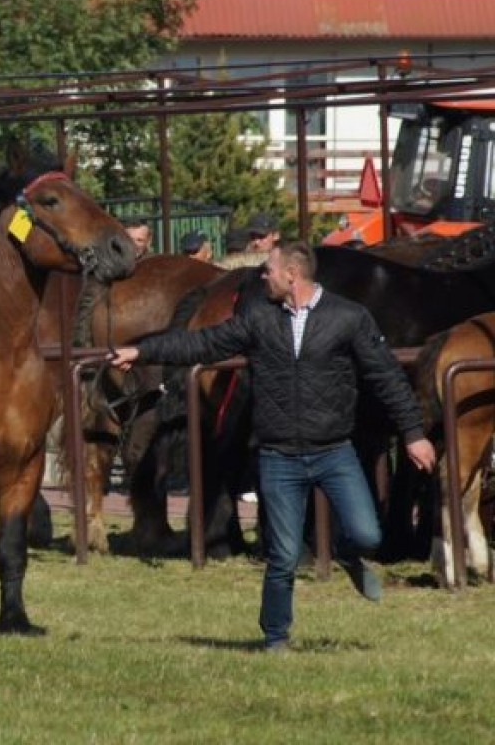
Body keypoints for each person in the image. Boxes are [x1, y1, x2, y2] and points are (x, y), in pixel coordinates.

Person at [107, 240, 436, 651]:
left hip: (334, 451)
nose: (262, 275)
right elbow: (204, 344)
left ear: (292, 276)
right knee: (281, 556)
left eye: (268, 270)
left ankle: (348, 555)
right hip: (279, 455)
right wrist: (142, 350)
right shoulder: (259, 318)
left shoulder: (348, 318)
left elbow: (387, 376)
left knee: (368, 533)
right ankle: (275, 637)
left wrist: (413, 434)